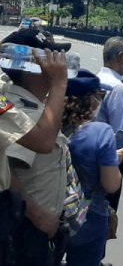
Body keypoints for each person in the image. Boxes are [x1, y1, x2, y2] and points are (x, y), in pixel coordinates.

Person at [3, 28, 73, 264]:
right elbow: (12, 165)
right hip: (24, 227)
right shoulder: (21, 110)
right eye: (49, 59)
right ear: (30, 66)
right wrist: (36, 213)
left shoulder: (35, 107)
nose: (58, 63)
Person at [63, 70, 121, 266]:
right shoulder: (100, 132)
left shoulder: (49, 127)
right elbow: (111, 184)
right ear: (90, 99)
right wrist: (115, 160)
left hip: (51, 210)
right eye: (99, 96)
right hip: (89, 214)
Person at [93, 36, 123, 218]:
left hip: (91, 152)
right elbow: (121, 131)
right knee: (107, 213)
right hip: (111, 157)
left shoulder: (96, 80)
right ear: (121, 57)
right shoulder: (117, 87)